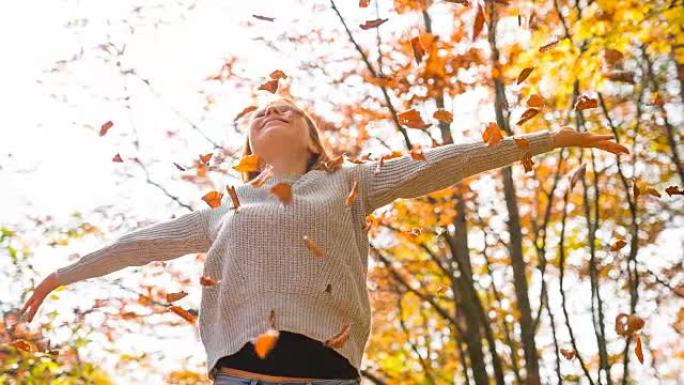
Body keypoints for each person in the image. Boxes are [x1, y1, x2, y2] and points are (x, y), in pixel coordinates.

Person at [18, 95, 629, 385]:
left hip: (329, 374)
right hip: (242, 377)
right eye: (259, 116)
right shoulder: (227, 206)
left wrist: (554, 137)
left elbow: (452, 159)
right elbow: (140, 242)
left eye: (286, 111)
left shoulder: (353, 181)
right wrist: (57, 276)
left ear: (313, 138)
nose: (270, 115)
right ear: (251, 146)